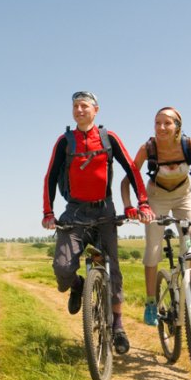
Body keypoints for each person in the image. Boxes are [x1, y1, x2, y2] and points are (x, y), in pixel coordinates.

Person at [43, 91, 154, 354]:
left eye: (84, 106)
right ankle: (79, 286)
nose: (79, 110)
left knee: (113, 270)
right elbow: (49, 177)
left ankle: (117, 326)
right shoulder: (64, 141)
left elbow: (132, 169)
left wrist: (143, 203)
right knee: (62, 268)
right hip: (74, 213)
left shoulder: (109, 138)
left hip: (104, 210)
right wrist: (48, 213)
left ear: (96, 110)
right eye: (75, 106)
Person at [120, 106, 191, 326]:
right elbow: (127, 181)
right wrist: (131, 207)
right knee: (153, 250)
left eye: (167, 123)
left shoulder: (190, 146)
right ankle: (151, 302)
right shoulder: (148, 148)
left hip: (184, 197)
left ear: (177, 127)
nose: (161, 127)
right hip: (156, 198)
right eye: (157, 123)